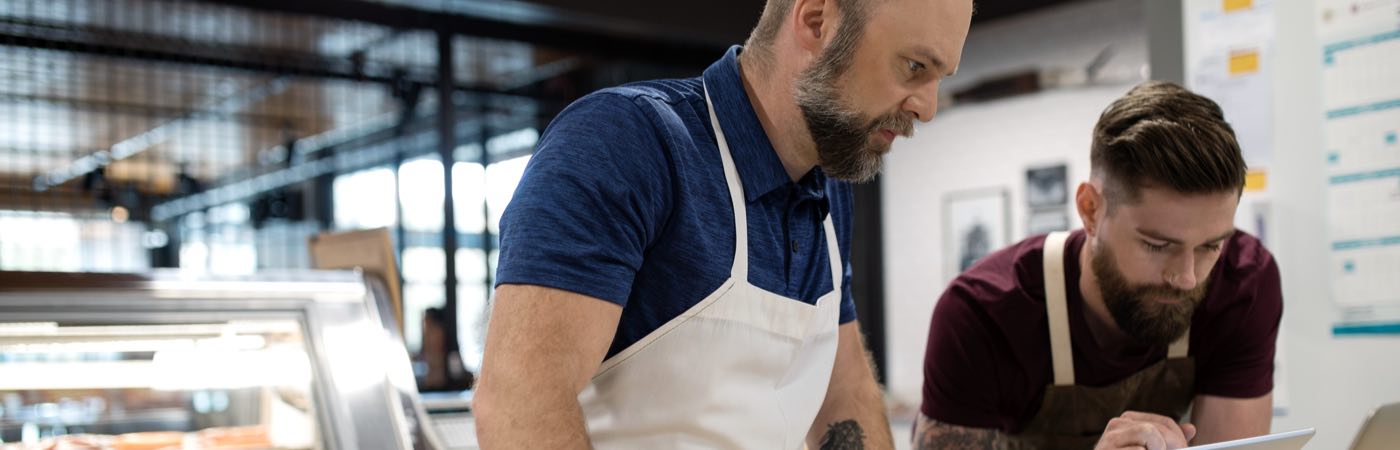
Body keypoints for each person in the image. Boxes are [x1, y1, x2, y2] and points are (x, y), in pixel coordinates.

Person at [472, 0, 974, 447]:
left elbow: (843, 397)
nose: (926, 109)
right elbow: (519, 407)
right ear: (817, 21)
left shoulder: (827, 189)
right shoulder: (625, 145)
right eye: (914, 67)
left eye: (939, 79)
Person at [915, 81, 1282, 449]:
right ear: (1091, 210)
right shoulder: (983, 315)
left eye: (1210, 246)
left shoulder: (1242, 283)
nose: (1186, 278)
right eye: (1158, 245)